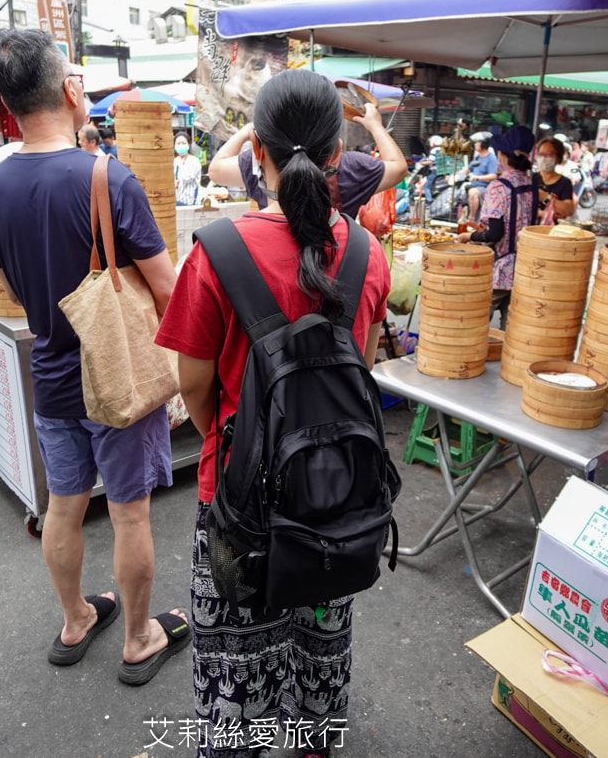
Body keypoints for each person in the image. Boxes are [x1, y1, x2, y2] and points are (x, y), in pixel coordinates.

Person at [155, 69, 390, 758]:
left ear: (256, 149)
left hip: (238, 503)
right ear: (336, 150)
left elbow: (195, 387)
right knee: (320, 636)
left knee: (237, 656)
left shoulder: (217, 253)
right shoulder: (368, 255)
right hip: (334, 498)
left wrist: (234, 444)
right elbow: (362, 371)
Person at [0, 28, 188, 686]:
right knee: (128, 511)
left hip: (53, 375)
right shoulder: (105, 176)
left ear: (5, 101)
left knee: (63, 504)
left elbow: (8, 288)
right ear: (70, 90)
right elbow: (168, 287)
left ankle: (75, 620)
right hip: (118, 376)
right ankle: (139, 635)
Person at [207, 101, 406, 218]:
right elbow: (398, 168)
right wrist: (375, 126)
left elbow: (216, 170)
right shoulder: (353, 167)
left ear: (258, 148)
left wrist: (245, 131)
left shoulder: (259, 163)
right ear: (336, 149)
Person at [458, 125, 537, 329]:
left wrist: (470, 236)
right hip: (525, 267)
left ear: (502, 155)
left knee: (476, 324)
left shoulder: (498, 187)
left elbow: (495, 233)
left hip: (501, 269)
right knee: (511, 329)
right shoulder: (531, 185)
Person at [533, 137, 577, 219]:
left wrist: (546, 197)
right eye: (541, 154)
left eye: (548, 155)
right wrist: (544, 213)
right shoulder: (531, 179)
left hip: (553, 230)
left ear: (558, 157)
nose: (543, 158)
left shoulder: (564, 183)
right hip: (529, 230)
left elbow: (568, 210)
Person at [464, 131, 499, 220]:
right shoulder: (477, 157)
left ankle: (471, 217)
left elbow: (493, 175)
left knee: (473, 193)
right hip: (472, 184)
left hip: (484, 187)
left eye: (477, 142)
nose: (475, 144)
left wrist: (478, 177)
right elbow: (468, 168)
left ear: (483, 144)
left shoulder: (491, 158)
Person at [173, 133, 203, 206]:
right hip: (177, 200)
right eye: (178, 143)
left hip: (191, 202)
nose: (181, 145)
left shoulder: (194, 161)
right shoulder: (175, 161)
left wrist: (181, 161)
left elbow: (187, 178)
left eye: (183, 143)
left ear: (188, 145)